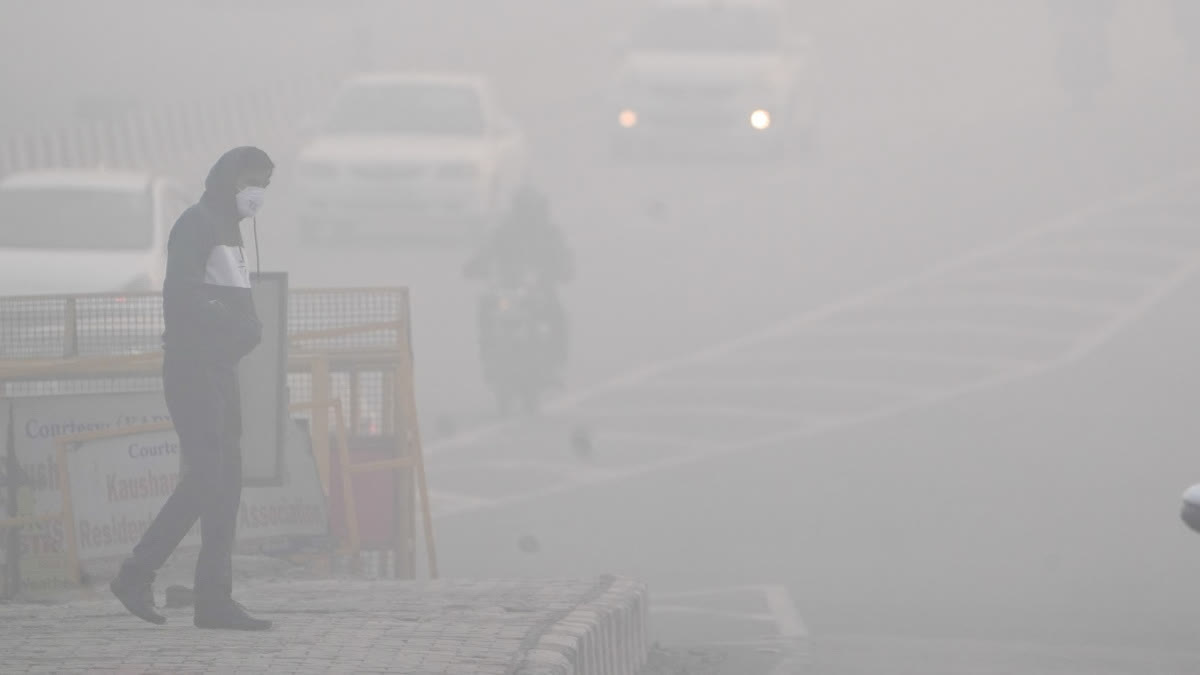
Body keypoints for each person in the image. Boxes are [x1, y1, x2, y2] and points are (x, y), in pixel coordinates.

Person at [110, 146, 273, 631]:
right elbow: (181, 294)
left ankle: (214, 599)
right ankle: (136, 573)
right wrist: (232, 323)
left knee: (226, 482)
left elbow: (229, 301)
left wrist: (245, 330)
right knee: (208, 477)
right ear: (227, 178)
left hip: (220, 369)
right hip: (193, 369)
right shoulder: (196, 223)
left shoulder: (232, 232)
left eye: (265, 182)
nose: (258, 191)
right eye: (252, 179)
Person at [463, 186, 573, 377]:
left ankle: (556, 357)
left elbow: (563, 257)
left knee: (556, 315)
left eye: (532, 209)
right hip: (507, 290)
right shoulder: (505, 231)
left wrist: (564, 270)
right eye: (525, 209)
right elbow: (486, 252)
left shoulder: (549, 232)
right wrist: (475, 267)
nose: (528, 215)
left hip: (541, 291)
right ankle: (489, 353)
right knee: (487, 308)